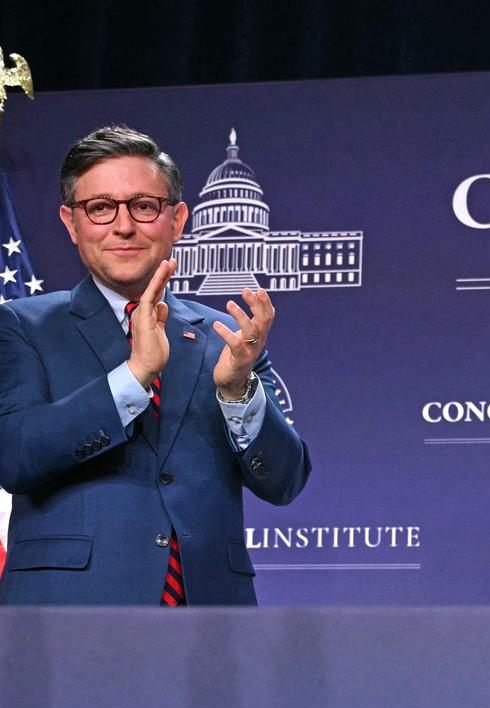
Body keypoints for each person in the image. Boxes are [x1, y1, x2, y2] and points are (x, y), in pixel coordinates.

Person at [0, 125, 311, 605]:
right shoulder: (22, 323)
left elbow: (285, 481)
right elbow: (15, 456)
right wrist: (133, 376)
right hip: (65, 616)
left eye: (143, 206)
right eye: (100, 208)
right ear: (70, 222)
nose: (123, 226)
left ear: (177, 218)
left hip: (209, 621)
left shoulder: (225, 336)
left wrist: (237, 391)